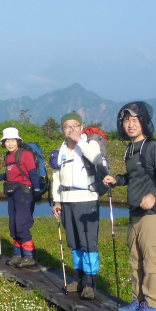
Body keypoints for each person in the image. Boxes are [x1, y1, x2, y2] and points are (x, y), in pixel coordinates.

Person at [102, 101, 156, 311]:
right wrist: (117, 180)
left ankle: (154, 305)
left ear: (144, 122)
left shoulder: (154, 148)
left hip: (154, 214)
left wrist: (153, 195)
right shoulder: (131, 149)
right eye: (126, 120)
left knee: (152, 260)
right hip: (135, 214)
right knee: (135, 260)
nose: (130, 124)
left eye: (135, 120)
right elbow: (134, 176)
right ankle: (139, 300)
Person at [51, 112, 107, 299]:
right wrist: (56, 200)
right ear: (62, 130)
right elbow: (56, 177)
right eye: (67, 126)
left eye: (75, 125)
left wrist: (79, 141)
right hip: (67, 200)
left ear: (82, 127)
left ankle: (90, 282)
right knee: (74, 242)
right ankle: (79, 278)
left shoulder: (89, 144)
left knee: (88, 242)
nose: (72, 129)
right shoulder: (61, 150)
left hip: (87, 199)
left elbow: (96, 158)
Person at [0, 127, 39, 268]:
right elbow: (10, 174)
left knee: (22, 223)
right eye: (7, 141)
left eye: (12, 140)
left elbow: (32, 172)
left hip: (25, 193)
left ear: (17, 141)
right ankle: (18, 254)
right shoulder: (8, 156)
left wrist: (36, 190)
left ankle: (29, 256)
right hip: (13, 193)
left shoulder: (25, 154)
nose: (10, 144)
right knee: (13, 225)